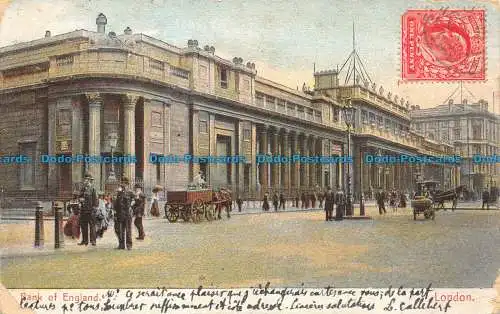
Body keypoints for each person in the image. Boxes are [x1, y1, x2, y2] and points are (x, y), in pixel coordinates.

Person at [113, 177, 134, 250]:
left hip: (127, 214)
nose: (123, 185)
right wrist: (115, 211)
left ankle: (129, 245)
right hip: (120, 214)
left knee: (128, 230)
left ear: (127, 184)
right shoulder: (119, 192)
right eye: (122, 183)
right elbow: (115, 203)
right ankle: (121, 245)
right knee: (120, 230)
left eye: (124, 183)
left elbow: (135, 201)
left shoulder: (130, 192)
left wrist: (132, 207)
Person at [78, 173, 98, 246]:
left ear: (89, 180)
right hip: (83, 210)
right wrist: (80, 199)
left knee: (92, 226)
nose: (85, 181)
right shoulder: (83, 189)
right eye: (85, 179)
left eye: (86, 179)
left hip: (91, 210)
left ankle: (93, 241)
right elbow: (79, 196)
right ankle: (84, 240)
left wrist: (94, 209)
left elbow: (95, 200)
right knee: (84, 226)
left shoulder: (93, 189)